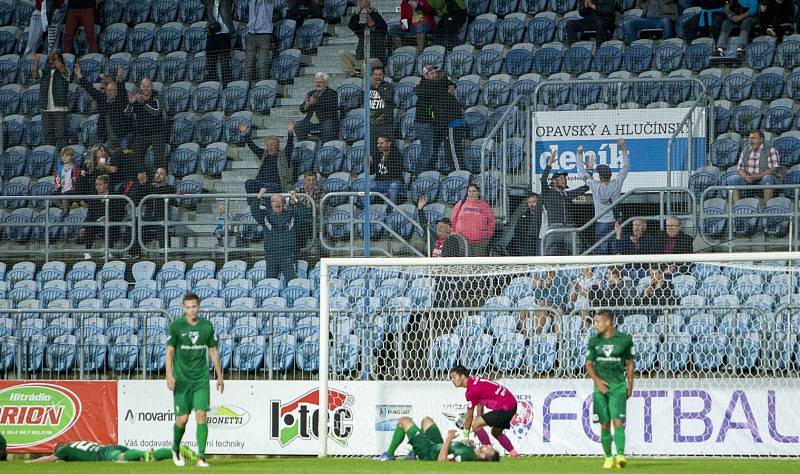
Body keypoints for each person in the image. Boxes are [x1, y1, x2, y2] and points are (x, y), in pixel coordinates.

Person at [166, 293, 224, 468]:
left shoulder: (206, 326)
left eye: (194, 306)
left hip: (200, 379)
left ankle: (201, 457)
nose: (191, 310)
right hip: (182, 380)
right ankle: (175, 448)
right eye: (188, 307)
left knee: (201, 415)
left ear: (199, 307)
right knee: (182, 419)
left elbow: (212, 350)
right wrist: (169, 374)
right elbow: (169, 351)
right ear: (184, 308)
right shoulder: (176, 326)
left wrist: (220, 375)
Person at [585, 309, 634, 470]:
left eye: (598, 321)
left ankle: (620, 456)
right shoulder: (593, 341)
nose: (595, 324)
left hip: (618, 385)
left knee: (617, 421)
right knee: (604, 424)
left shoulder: (624, 340)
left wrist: (630, 384)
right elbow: (589, 364)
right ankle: (608, 457)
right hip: (600, 388)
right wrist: (598, 381)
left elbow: (630, 363)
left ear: (608, 323)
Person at [449, 365, 520, 457]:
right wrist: (479, 420)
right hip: (512, 404)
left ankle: (488, 454)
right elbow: (480, 403)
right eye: (451, 378)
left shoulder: (471, 391)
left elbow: (469, 416)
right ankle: (515, 454)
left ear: (462, 376)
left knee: (475, 424)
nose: (452, 380)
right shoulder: (475, 380)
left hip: (505, 407)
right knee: (496, 432)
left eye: (454, 377)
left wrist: (466, 435)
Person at [577, 138, 631, 255]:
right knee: (616, 250)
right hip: (615, 222)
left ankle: (601, 272)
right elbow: (626, 167)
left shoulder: (594, 185)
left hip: (601, 222)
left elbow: (581, 172)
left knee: (601, 252)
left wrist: (579, 155)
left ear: (600, 176)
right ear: (610, 174)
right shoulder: (617, 183)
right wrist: (622, 147)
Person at [375, 416, 499, 462]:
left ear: (484, 456)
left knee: (404, 421)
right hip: (437, 445)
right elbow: (453, 450)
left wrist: (448, 439)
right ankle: (413, 454)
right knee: (426, 420)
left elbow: (442, 461)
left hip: (429, 452)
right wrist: (463, 442)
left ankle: (389, 456)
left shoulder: (465, 455)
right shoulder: (471, 449)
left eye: (490, 450)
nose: (489, 446)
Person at [540, 150, 591, 256]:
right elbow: (543, 180)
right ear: (554, 181)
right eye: (561, 178)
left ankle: (577, 271)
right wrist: (549, 164)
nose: (564, 180)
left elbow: (586, 187)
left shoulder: (567, 194)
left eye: (565, 178)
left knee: (577, 249)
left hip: (569, 228)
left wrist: (590, 170)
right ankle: (548, 272)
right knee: (549, 253)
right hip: (554, 228)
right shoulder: (548, 192)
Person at [74, 63, 129, 151]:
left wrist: (119, 77)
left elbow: (122, 90)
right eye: (107, 90)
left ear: (116, 91)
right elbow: (90, 89)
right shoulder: (103, 99)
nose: (109, 92)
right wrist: (79, 75)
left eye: (112, 90)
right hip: (106, 137)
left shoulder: (121, 100)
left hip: (121, 137)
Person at [238, 120, 294, 205]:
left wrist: (290, 131)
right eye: (268, 145)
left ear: (277, 146)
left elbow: (289, 145)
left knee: (271, 187)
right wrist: (245, 133)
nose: (269, 147)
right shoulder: (264, 154)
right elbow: (252, 146)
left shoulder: (284, 155)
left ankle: (269, 209)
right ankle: (253, 206)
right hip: (261, 184)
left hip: (276, 185)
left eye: (272, 145)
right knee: (249, 183)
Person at [251, 192, 304, 280]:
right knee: (271, 280)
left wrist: (295, 199)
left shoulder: (291, 215)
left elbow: (303, 213)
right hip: (271, 255)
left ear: (283, 204)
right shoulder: (265, 216)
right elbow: (254, 210)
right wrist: (259, 195)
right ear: (271, 204)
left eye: (280, 201)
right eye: (275, 201)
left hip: (287, 254)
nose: (277, 203)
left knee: (291, 280)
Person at [77, 174, 127, 260]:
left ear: (106, 185)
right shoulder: (94, 198)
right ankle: (87, 253)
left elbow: (120, 213)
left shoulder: (115, 196)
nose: (98, 187)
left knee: (108, 226)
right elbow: (90, 215)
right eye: (96, 185)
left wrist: (107, 217)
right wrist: (84, 226)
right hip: (97, 223)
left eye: (100, 184)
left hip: (112, 222)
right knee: (89, 227)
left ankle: (109, 252)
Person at [125, 77, 167, 174]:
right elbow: (127, 114)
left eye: (148, 86)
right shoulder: (137, 98)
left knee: (159, 159)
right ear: (140, 87)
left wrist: (144, 103)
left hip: (157, 133)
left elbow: (156, 112)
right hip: (142, 134)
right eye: (143, 86)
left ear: (152, 87)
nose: (146, 88)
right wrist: (131, 104)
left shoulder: (157, 97)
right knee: (135, 156)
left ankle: (160, 178)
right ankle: (142, 177)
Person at [339, 0, 389, 77]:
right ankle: (353, 74)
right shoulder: (362, 28)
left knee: (367, 63)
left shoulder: (381, 28)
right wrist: (358, 11)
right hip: (361, 59)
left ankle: (363, 77)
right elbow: (352, 25)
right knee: (343, 53)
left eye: (370, 17)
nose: (368, 18)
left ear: (375, 18)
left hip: (376, 60)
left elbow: (381, 22)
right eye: (367, 17)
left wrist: (369, 9)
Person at [414, 64, 449, 174]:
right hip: (423, 123)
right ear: (425, 75)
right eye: (431, 73)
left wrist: (451, 84)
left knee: (432, 150)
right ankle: (419, 174)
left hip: (432, 123)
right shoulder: (424, 87)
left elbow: (447, 83)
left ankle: (428, 172)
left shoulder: (431, 84)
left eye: (435, 73)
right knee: (427, 151)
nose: (434, 75)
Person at [728, 129, 780, 203]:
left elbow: (773, 169)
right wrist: (745, 176)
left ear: (761, 139)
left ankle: (767, 207)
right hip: (748, 179)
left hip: (762, 179)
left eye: (754, 138)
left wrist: (757, 176)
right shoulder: (746, 150)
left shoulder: (771, 150)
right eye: (750, 138)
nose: (751, 140)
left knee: (768, 178)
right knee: (732, 179)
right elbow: (740, 168)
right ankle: (737, 206)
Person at [31, 52, 69, 152]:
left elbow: (61, 69)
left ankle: (63, 156)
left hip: (60, 108)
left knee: (61, 134)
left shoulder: (65, 71)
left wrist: (55, 58)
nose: (51, 62)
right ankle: (50, 154)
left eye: (54, 60)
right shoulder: (45, 71)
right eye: (50, 60)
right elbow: (35, 75)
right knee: (47, 134)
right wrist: (36, 61)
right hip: (46, 108)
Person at [137, 167, 176, 256]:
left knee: (162, 226)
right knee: (134, 222)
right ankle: (134, 253)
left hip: (161, 218)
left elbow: (174, 202)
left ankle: (165, 255)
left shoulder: (169, 188)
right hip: (148, 218)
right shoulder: (148, 187)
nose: (158, 175)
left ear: (165, 177)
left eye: (161, 174)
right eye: (157, 173)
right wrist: (142, 184)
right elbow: (138, 199)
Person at [29, 441, 174, 463]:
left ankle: (143, 454)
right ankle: (174, 452)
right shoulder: (77, 443)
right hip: (109, 447)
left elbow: (49, 459)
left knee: (121, 458)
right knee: (146, 458)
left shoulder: (64, 450)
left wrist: (30, 462)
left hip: (104, 454)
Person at [451, 184, 495, 257]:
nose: (471, 193)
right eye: (469, 191)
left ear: (478, 192)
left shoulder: (485, 206)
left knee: (477, 262)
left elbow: (491, 221)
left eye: (474, 191)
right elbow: (453, 218)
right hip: (462, 240)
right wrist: (453, 232)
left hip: (479, 242)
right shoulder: (461, 203)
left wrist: (488, 234)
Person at [295, 72, 339, 144]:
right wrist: (306, 105)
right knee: (298, 126)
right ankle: (305, 147)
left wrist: (316, 102)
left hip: (326, 120)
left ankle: (325, 148)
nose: (317, 84)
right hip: (311, 122)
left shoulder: (332, 93)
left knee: (328, 126)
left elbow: (330, 106)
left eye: (320, 82)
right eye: (316, 82)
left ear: (326, 83)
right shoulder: (311, 93)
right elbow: (302, 109)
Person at [205, 0, 235, 87]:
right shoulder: (209, 2)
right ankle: (212, 84)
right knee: (210, 61)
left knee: (224, 62)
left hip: (224, 34)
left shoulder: (226, 1)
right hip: (212, 34)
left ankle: (227, 85)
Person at [244, 0, 274, 82]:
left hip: (265, 34)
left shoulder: (269, 2)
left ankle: (261, 85)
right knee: (248, 64)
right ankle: (247, 86)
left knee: (262, 64)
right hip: (250, 34)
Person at [368, 66, 394, 159]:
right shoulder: (368, 88)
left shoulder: (388, 87)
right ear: (372, 75)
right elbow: (360, 100)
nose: (377, 77)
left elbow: (388, 98)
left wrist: (377, 87)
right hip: (372, 125)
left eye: (380, 75)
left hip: (386, 125)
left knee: (388, 151)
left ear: (384, 76)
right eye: (375, 75)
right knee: (373, 151)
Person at [371, 135, 404, 203]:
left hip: (393, 181)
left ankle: (390, 211)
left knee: (393, 186)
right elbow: (371, 172)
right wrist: (369, 163)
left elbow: (397, 171)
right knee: (366, 186)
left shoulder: (397, 155)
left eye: (381, 143)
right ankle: (366, 209)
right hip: (379, 182)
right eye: (378, 143)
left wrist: (385, 160)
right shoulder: (376, 155)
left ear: (388, 143)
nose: (379, 145)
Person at [54, 147, 80, 213]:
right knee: (52, 196)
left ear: (71, 157)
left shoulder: (75, 167)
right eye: (63, 156)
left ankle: (65, 213)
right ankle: (64, 208)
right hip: (62, 188)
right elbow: (57, 178)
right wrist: (58, 185)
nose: (64, 158)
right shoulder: (60, 168)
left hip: (72, 189)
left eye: (67, 156)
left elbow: (77, 178)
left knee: (64, 196)